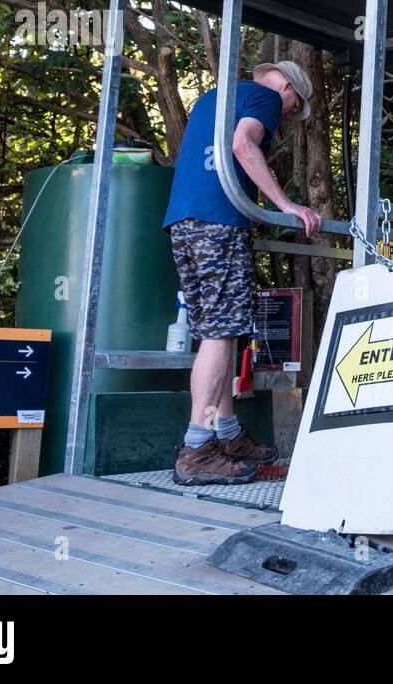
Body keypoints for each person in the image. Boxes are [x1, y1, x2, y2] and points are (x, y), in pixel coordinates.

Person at [163, 60, 324, 485]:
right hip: (219, 220)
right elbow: (243, 145)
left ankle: (227, 434)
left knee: (220, 330)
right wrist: (284, 205)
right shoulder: (265, 97)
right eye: (293, 109)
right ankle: (197, 448)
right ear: (287, 87)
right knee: (219, 334)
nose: (286, 117)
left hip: (184, 220)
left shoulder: (214, 98)